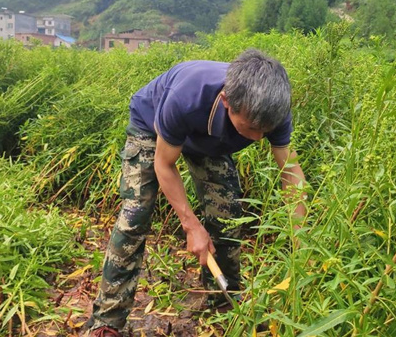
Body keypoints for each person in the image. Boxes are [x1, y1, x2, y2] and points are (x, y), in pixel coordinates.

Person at [87, 49, 307, 337]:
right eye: (251, 128)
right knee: (135, 216)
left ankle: (224, 305)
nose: (257, 138)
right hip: (152, 128)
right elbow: (165, 164)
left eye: (265, 131)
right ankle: (107, 320)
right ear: (227, 101)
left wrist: (302, 239)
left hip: (209, 140)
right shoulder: (187, 97)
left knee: (227, 214)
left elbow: (290, 172)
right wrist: (191, 225)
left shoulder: (272, 109)